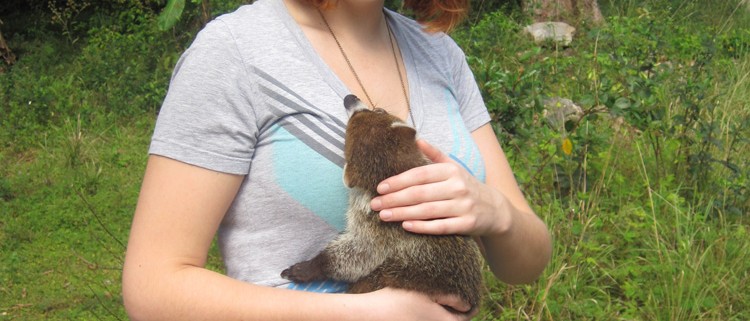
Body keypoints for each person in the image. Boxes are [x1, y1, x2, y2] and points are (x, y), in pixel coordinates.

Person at [122, 0, 552, 319]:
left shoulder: (440, 53)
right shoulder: (234, 50)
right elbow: (151, 287)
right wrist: (364, 313)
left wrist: (498, 215)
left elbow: (528, 262)